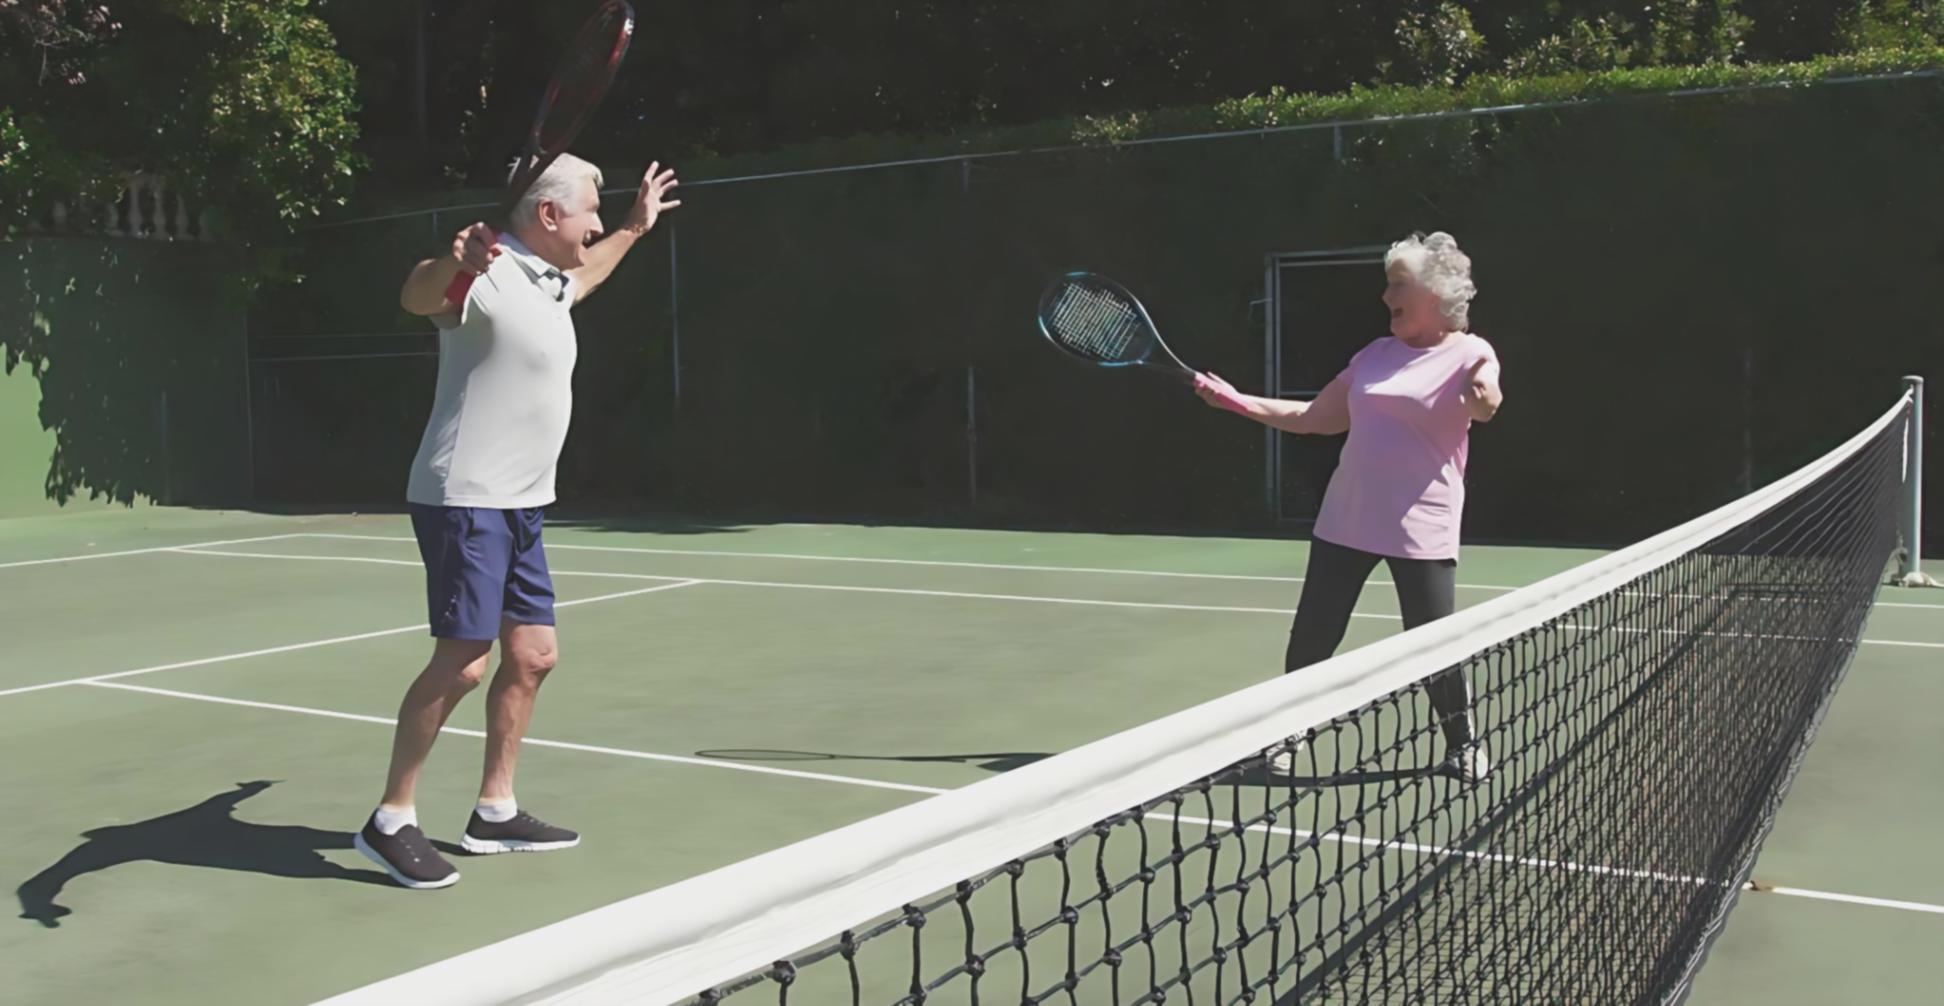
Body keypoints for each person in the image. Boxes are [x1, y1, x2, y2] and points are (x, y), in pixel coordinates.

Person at [353, 154, 681, 889]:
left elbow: (587, 274)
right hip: (466, 496)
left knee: (532, 655)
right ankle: (391, 820)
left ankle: (494, 812)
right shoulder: (487, 273)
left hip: (523, 502)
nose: (596, 221)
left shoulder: (546, 282)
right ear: (547, 214)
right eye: (592, 209)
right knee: (464, 661)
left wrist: (633, 227)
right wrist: (452, 259)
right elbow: (419, 295)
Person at [1195, 231, 1502, 781]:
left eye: (1397, 286)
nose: (1386, 298)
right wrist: (1235, 401)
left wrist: (1483, 397)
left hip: (1422, 526)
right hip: (1347, 517)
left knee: (1432, 643)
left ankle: (1462, 743)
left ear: (1434, 293)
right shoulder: (1373, 356)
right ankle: (1285, 739)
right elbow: (1315, 417)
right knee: (1313, 635)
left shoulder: (1470, 352)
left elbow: (1487, 401)